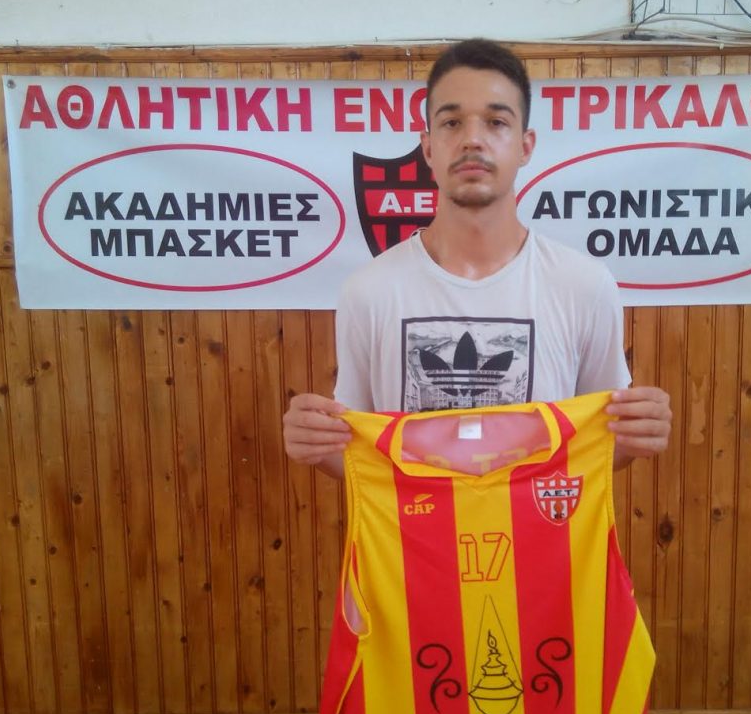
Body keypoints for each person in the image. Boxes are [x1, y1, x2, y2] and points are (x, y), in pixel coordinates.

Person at [283, 39, 671, 476]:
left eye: (495, 122)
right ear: (428, 148)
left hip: (537, 524)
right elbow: (359, 458)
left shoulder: (585, 286)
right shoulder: (368, 291)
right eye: (451, 122)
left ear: (525, 146)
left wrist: (637, 437)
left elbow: (599, 446)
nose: (472, 139)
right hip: (415, 524)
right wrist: (316, 446)